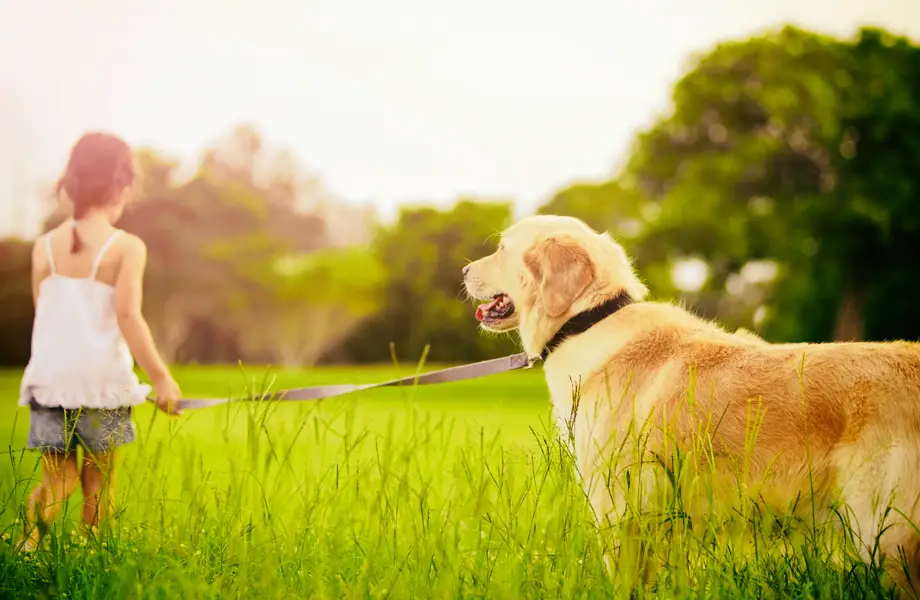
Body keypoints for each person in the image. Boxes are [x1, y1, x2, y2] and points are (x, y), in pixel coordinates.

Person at [18, 132, 182, 550]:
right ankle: (92, 557)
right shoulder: (126, 247)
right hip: (104, 389)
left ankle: (23, 546)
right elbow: (128, 316)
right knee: (99, 484)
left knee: (57, 479)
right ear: (123, 186)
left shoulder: (44, 248)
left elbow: (46, 315)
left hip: (50, 384)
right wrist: (161, 378)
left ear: (71, 184)